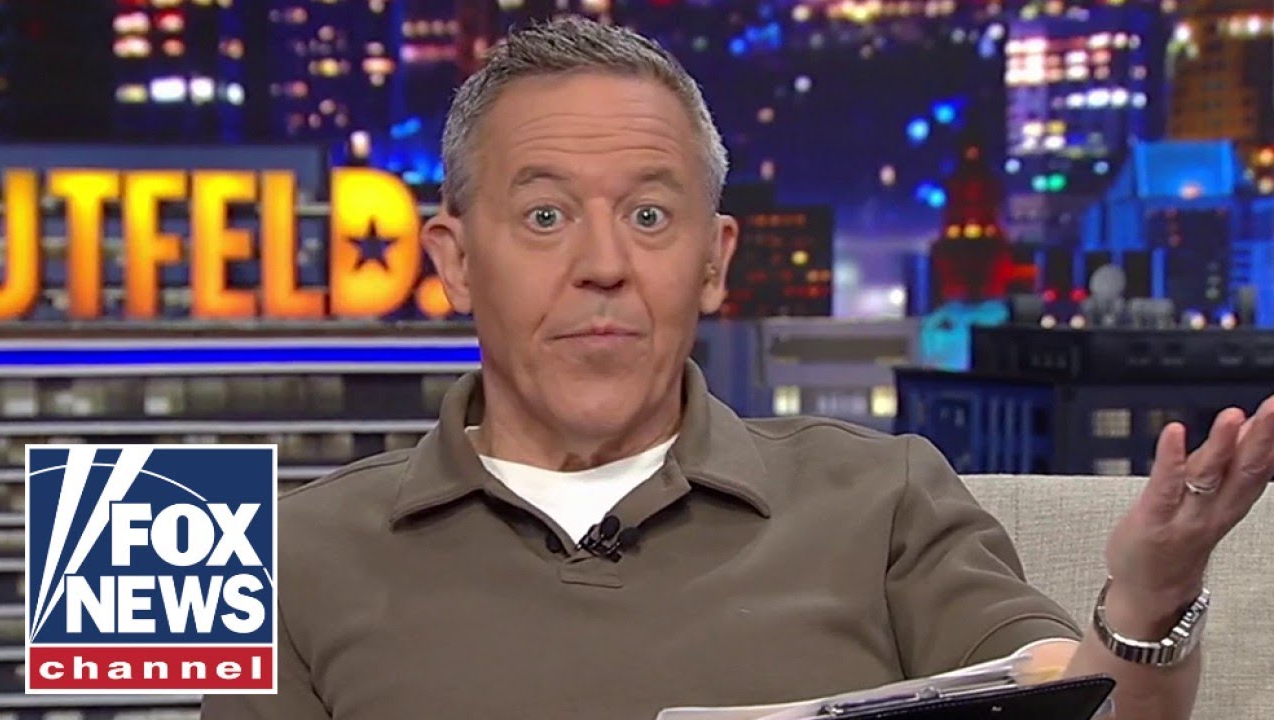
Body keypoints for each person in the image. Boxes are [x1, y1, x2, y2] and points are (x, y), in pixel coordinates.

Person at [201, 17, 1274, 720]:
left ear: (713, 262)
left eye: (649, 216)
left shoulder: (884, 498)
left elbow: (1074, 707)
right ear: (453, 262)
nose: (603, 265)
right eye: (544, 216)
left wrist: (1147, 603)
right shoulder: (290, 555)